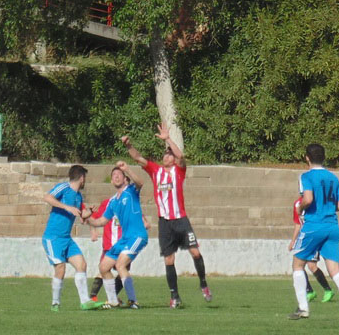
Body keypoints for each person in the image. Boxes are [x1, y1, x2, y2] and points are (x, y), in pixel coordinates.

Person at [122, 123, 212, 308]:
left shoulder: (179, 171)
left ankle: (203, 284)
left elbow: (182, 157)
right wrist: (128, 145)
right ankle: (174, 296)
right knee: (169, 259)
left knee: (195, 252)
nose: (167, 156)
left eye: (170, 154)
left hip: (181, 220)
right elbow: (138, 158)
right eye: (165, 154)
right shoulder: (156, 171)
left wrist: (168, 139)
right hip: (165, 222)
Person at [289, 143, 339, 321]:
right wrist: (326, 207)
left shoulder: (306, 176)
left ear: (307, 158)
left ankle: (303, 308)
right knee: (335, 269)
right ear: (324, 157)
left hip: (314, 225)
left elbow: (308, 198)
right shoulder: (333, 177)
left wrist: (300, 208)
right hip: (332, 227)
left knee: (298, 265)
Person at [41, 164, 105, 311]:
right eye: (85, 178)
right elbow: (47, 197)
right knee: (60, 269)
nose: (85, 181)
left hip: (66, 239)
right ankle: (55, 303)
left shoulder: (78, 196)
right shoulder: (64, 187)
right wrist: (66, 207)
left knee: (81, 264)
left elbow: (82, 217)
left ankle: (85, 302)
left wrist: (89, 212)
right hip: (53, 237)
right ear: (82, 178)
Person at [87, 161, 148, 309]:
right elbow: (101, 221)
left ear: (125, 178)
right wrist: (87, 217)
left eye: (119, 174)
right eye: (113, 175)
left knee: (120, 265)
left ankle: (133, 301)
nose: (116, 176)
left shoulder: (131, 191)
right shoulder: (113, 201)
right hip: (124, 239)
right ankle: (113, 300)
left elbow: (140, 182)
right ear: (111, 181)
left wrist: (128, 169)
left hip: (137, 236)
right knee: (103, 267)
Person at [289, 195, 334, 303]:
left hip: (313, 237)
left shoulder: (314, 201)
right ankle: (309, 291)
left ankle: (328, 290)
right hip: (303, 239)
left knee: (312, 266)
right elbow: (298, 224)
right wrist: (293, 241)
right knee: (297, 266)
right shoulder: (297, 204)